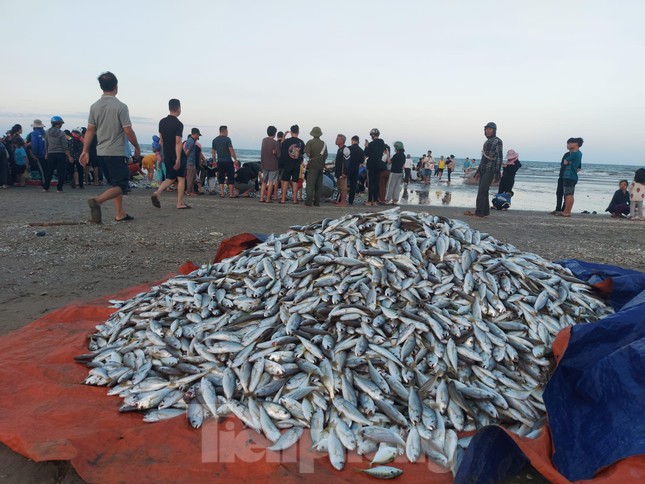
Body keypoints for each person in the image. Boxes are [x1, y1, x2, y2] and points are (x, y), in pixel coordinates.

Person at [80, 71, 141, 223]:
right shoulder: (120, 107)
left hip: (101, 152)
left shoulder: (94, 106)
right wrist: (137, 147)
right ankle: (98, 200)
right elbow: (128, 130)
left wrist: (85, 150)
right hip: (116, 152)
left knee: (115, 184)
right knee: (122, 185)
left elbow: (90, 130)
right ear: (116, 86)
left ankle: (120, 213)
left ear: (101, 87)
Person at [152, 99, 189, 209]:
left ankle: (157, 193)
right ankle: (180, 203)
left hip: (167, 154)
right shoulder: (178, 124)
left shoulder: (162, 122)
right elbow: (178, 142)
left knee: (170, 178)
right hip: (177, 154)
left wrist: (166, 154)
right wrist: (178, 158)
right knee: (181, 178)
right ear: (178, 108)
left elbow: (161, 140)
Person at [464, 122, 503, 218]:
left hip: (491, 169)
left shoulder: (497, 141)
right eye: (486, 129)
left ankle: (479, 213)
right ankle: (485, 212)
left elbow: (499, 157)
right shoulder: (486, 142)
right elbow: (483, 158)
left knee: (482, 190)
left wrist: (497, 172)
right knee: (484, 190)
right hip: (483, 169)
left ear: (494, 130)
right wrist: (478, 171)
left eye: (490, 129)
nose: (488, 131)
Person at [43, 116, 72, 192]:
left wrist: (46, 154)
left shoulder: (46, 132)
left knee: (49, 171)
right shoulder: (62, 133)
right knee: (61, 171)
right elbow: (65, 145)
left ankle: (45, 188)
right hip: (61, 154)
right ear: (59, 124)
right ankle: (59, 188)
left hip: (50, 153)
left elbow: (46, 144)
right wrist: (69, 156)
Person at [279, 125, 305, 204]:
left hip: (288, 163)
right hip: (296, 164)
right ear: (298, 132)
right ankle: (294, 199)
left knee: (285, 181)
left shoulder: (287, 141)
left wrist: (284, 135)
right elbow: (302, 153)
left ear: (291, 131)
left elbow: (281, 144)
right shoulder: (301, 142)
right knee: (295, 181)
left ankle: (283, 199)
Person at [212, 125, 239, 198]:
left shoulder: (215, 140)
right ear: (225, 131)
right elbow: (231, 150)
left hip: (220, 161)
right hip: (228, 161)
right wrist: (235, 159)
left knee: (221, 177)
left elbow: (213, 152)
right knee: (230, 177)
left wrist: (214, 160)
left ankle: (222, 193)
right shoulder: (227, 139)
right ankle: (231, 193)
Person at [559, 137, 583, 217]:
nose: (569, 145)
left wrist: (568, 162)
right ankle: (568, 211)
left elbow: (565, 162)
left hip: (569, 176)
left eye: (570, 143)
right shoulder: (579, 153)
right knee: (571, 194)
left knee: (568, 195)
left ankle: (566, 212)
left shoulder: (575, 153)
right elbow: (578, 168)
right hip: (573, 176)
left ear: (576, 144)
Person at [304, 126, 328, 207]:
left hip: (312, 166)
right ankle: (317, 202)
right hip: (320, 167)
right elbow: (326, 155)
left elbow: (308, 154)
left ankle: (308, 202)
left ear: (313, 134)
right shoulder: (324, 144)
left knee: (310, 185)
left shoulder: (310, 142)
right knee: (319, 186)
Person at [364, 128, 385, 206]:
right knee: (376, 183)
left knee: (370, 183)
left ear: (372, 135)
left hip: (371, 164)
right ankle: (375, 200)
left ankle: (370, 200)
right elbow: (382, 150)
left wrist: (366, 146)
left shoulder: (371, 144)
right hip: (378, 164)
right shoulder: (382, 142)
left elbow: (367, 154)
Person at [259, 126, 280, 203]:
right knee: (271, 181)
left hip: (264, 163)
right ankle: (268, 199)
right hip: (273, 164)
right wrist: (276, 152)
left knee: (264, 181)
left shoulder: (264, 140)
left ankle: (261, 198)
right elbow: (279, 155)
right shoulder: (275, 142)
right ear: (274, 133)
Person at [184, 128, 202, 196]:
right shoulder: (191, 142)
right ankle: (189, 191)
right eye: (198, 135)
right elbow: (187, 152)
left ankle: (190, 191)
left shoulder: (188, 141)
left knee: (192, 177)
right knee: (190, 178)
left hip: (190, 162)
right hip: (190, 162)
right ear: (196, 134)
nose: (198, 137)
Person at [334, 134, 350, 206]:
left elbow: (347, 161)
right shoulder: (339, 149)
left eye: (337, 139)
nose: (336, 140)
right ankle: (340, 200)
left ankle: (343, 202)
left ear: (342, 141)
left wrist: (345, 172)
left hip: (343, 172)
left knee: (343, 187)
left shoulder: (345, 149)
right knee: (339, 187)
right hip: (338, 171)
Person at [347, 135, 364, 204]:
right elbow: (362, 161)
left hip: (348, 168)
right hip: (356, 168)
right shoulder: (361, 150)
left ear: (352, 140)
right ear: (358, 141)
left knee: (344, 184)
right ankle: (351, 200)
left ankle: (340, 199)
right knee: (353, 185)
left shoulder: (348, 148)